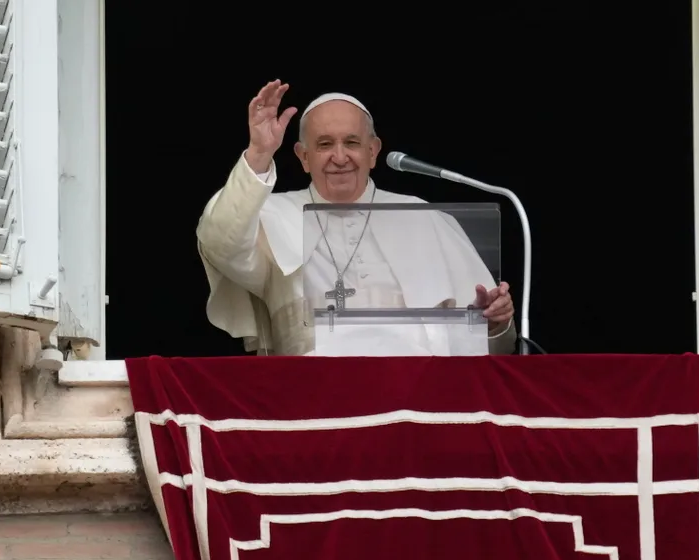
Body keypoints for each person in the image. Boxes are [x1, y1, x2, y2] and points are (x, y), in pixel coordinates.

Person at [195, 80, 517, 356]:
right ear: (303, 157)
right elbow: (219, 241)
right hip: (311, 401)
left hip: (418, 398)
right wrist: (259, 154)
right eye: (324, 145)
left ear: (373, 151)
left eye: (351, 142)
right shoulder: (270, 216)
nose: (339, 157)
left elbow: (498, 350)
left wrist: (495, 325)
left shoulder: (424, 218)